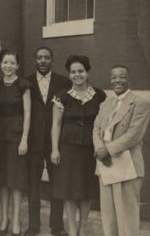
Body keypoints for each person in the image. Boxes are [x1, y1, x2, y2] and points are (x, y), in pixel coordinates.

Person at [50, 55, 106, 236]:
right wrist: (55, 149)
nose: (77, 75)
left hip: (91, 150)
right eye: (73, 72)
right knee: (69, 191)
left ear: (87, 72)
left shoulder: (99, 95)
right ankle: (72, 230)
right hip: (68, 149)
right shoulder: (62, 96)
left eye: (80, 71)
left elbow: (104, 123)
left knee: (87, 190)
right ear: (69, 75)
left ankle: (83, 228)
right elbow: (56, 124)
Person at [93, 65, 150, 236]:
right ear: (110, 80)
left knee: (127, 215)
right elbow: (96, 128)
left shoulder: (140, 104)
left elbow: (134, 135)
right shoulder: (105, 104)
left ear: (129, 79)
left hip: (128, 165)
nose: (117, 80)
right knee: (108, 213)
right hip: (105, 163)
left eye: (122, 77)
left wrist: (108, 150)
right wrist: (100, 150)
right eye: (114, 77)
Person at [25, 46, 70, 236]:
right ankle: (33, 225)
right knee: (32, 184)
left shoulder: (64, 82)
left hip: (55, 141)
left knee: (57, 183)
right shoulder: (25, 82)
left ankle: (57, 227)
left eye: (47, 58)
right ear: (35, 60)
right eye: (39, 57)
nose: (43, 61)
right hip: (33, 140)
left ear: (52, 60)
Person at [0, 50, 31, 236]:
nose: (7, 66)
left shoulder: (23, 85)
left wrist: (24, 139)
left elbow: (28, 114)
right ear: (1, 65)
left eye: (11, 63)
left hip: (17, 137)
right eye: (5, 63)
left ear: (17, 65)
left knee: (15, 180)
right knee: (2, 181)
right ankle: (4, 219)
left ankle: (16, 219)